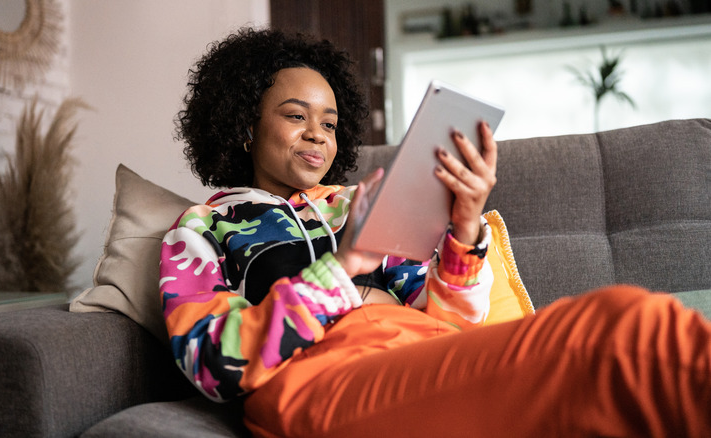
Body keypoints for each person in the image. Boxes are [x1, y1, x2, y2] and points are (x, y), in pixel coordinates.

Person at [161, 27, 711, 437]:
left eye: (329, 123)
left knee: (628, 363)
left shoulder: (358, 203)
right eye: (295, 115)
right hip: (323, 383)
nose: (317, 135)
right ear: (244, 124)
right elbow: (213, 362)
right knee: (625, 328)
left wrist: (466, 225)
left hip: (431, 361)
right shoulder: (203, 227)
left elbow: (451, 318)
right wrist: (344, 271)